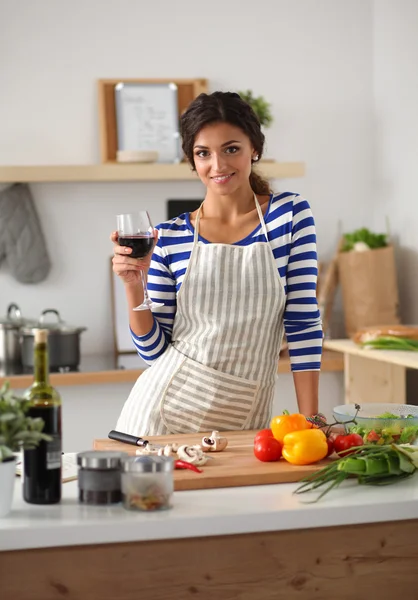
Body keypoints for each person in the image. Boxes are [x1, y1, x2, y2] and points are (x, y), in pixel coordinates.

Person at [111, 91, 323, 436]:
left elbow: (303, 323)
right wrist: (134, 283)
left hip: (243, 416)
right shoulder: (169, 236)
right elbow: (153, 352)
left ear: (255, 148)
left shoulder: (291, 215)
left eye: (231, 149)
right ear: (191, 161)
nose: (218, 165)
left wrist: (311, 420)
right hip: (160, 414)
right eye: (203, 153)